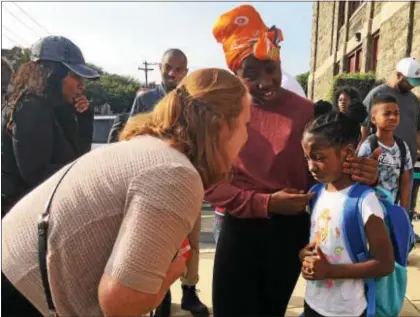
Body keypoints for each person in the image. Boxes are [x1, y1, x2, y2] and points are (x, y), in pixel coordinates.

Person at [1, 68, 250, 317]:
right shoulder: (176, 174)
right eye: (246, 124)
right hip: (22, 295)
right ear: (222, 126)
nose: (248, 137)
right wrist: (175, 269)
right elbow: (120, 303)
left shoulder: (151, 149)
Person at [207, 5, 380, 317]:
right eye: (251, 74)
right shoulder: (222, 116)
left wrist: (361, 172)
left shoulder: (307, 112)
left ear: (279, 62)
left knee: (271, 310)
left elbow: (328, 171)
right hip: (241, 230)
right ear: (236, 74)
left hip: (291, 232)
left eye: (270, 68)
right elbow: (211, 185)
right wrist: (267, 203)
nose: (265, 82)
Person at [128, 48, 207, 316]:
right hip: (156, 180)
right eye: (168, 67)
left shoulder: (194, 100)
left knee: (191, 241)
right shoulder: (145, 99)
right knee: (161, 242)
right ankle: (161, 295)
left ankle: (189, 292)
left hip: (189, 178)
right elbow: (132, 134)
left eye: (179, 68)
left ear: (186, 70)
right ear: (160, 67)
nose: (173, 73)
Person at [300, 112, 394, 317]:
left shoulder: (364, 201)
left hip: (346, 310)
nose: (310, 166)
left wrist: (330, 272)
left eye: (318, 158)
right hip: (313, 303)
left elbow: (385, 264)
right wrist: (304, 256)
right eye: (307, 157)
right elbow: (318, 242)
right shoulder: (316, 193)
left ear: (348, 153)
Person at [1, 36, 99, 219]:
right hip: (17, 222)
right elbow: (38, 176)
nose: (82, 85)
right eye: (75, 76)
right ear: (52, 74)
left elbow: (79, 155)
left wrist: (83, 118)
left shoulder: (54, 108)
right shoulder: (30, 107)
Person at [362, 57, 420, 243]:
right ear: (399, 75)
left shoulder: (413, 100)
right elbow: (363, 127)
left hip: (404, 162)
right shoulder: (377, 94)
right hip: (379, 163)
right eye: (410, 82)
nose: (413, 87)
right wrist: (360, 155)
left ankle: (400, 242)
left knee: (404, 204)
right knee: (375, 206)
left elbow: (418, 133)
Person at [358, 94, 413, 208]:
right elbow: (359, 180)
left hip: (392, 209)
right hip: (370, 209)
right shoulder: (368, 146)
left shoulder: (402, 146)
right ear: (373, 119)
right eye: (387, 114)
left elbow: (405, 181)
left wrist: (403, 212)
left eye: (396, 113)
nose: (392, 117)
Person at [129, 49, 188, 116]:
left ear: (185, 72)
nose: (172, 74)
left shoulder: (193, 102)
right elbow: (133, 126)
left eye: (178, 69)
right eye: (167, 67)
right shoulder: (144, 100)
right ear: (160, 67)